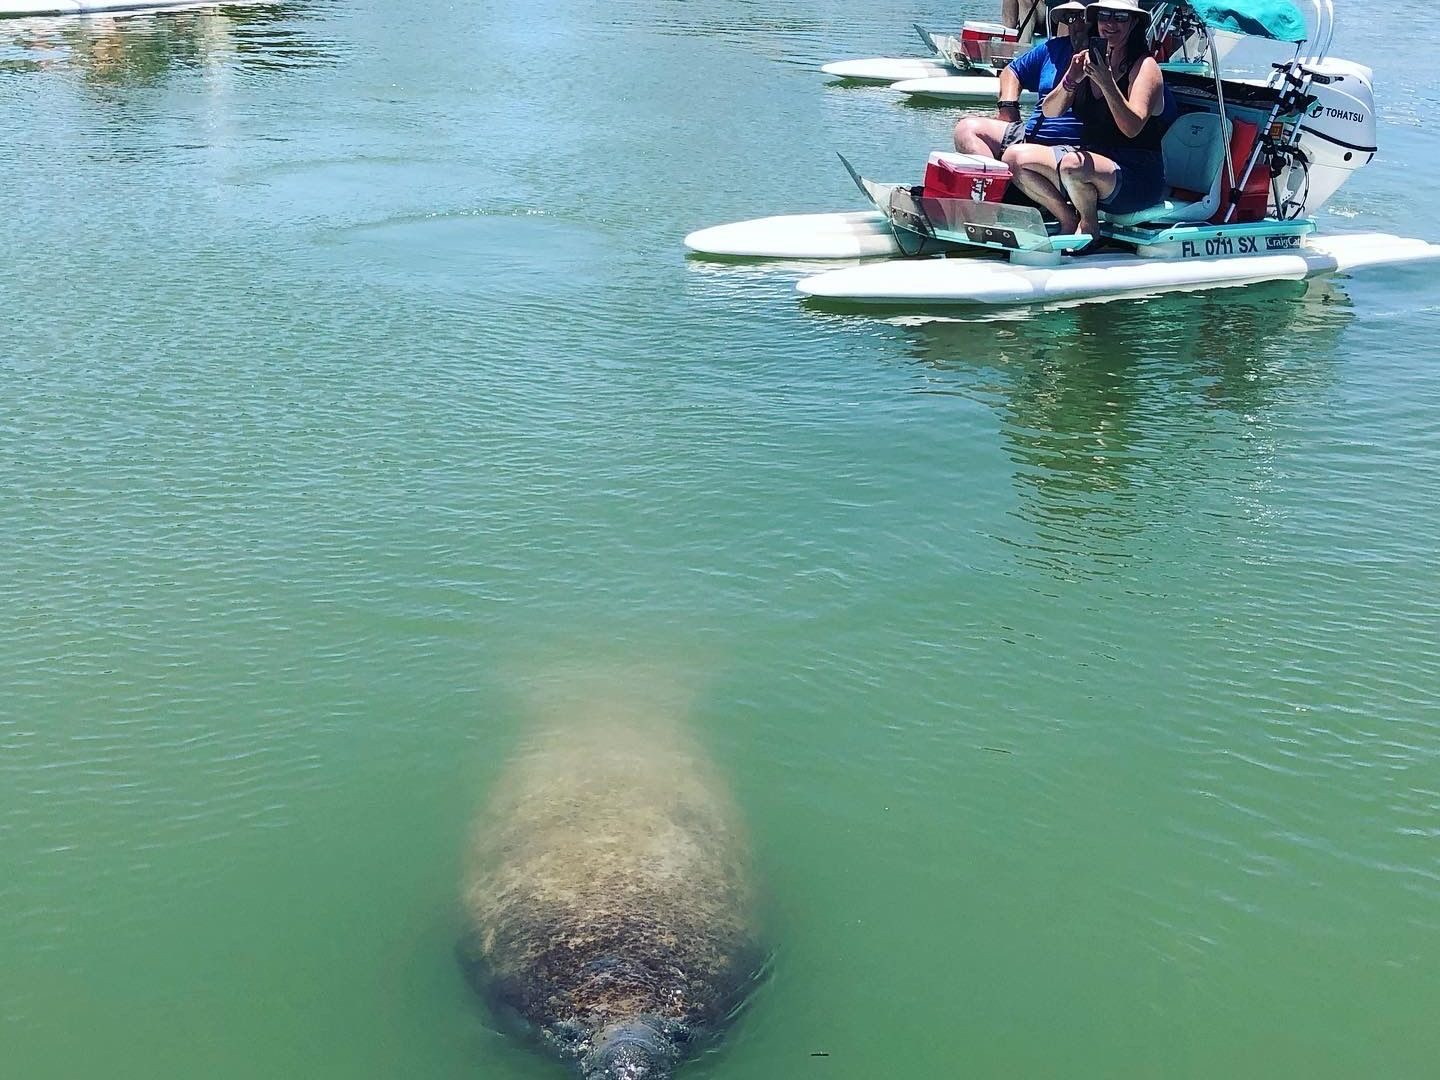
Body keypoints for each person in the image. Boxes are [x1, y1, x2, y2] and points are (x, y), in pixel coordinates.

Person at [1001, 0, 1168, 248]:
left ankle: (1090, 229)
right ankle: (1067, 219)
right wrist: (1070, 79)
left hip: (1136, 175)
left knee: (1072, 165)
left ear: (1134, 22)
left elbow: (1131, 128)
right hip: (1089, 165)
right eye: (1104, 16)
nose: (1110, 24)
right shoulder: (1088, 59)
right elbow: (1050, 111)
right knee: (1014, 157)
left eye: (1120, 17)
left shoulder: (1145, 66)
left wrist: (1107, 83)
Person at [953, 1, 1091, 158]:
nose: (1077, 25)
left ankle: (1007, 169)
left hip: (1074, 152)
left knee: (1017, 156)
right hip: (1029, 139)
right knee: (966, 129)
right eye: (1071, 18)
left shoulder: (1108, 60)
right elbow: (1011, 71)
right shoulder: (1053, 49)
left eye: (1084, 18)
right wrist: (1008, 108)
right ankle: (995, 172)